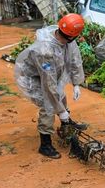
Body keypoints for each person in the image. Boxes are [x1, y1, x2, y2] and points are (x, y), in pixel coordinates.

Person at [15, 13, 88, 159]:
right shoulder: (44, 50)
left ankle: (66, 124)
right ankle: (45, 144)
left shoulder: (68, 39)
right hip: (33, 77)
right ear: (69, 35)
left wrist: (76, 83)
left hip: (51, 74)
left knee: (60, 95)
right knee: (48, 105)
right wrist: (60, 111)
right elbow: (48, 84)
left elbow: (75, 60)